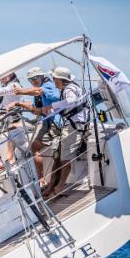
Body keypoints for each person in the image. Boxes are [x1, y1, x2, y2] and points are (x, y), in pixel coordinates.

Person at [6, 67, 61, 185]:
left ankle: (42, 180)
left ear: (42, 76)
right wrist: (18, 103)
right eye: (30, 80)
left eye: (35, 78)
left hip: (54, 124)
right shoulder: (39, 89)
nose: (33, 81)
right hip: (42, 121)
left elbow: (39, 91)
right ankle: (10, 159)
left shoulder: (48, 85)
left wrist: (21, 91)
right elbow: (35, 109)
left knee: (34, 147)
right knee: (12, 127)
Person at [41, 67, 90, 198]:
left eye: (54, 79)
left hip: (73, 127)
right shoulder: (72, 88)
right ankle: (52, 185)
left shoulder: (69, 90)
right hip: (74, 125)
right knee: (58, 157)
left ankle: (59, 187)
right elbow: (67, 106)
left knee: (65, 159)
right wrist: (48, 111)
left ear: (59, 79)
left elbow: (71, 101)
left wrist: (51, 106)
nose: (53, 81)